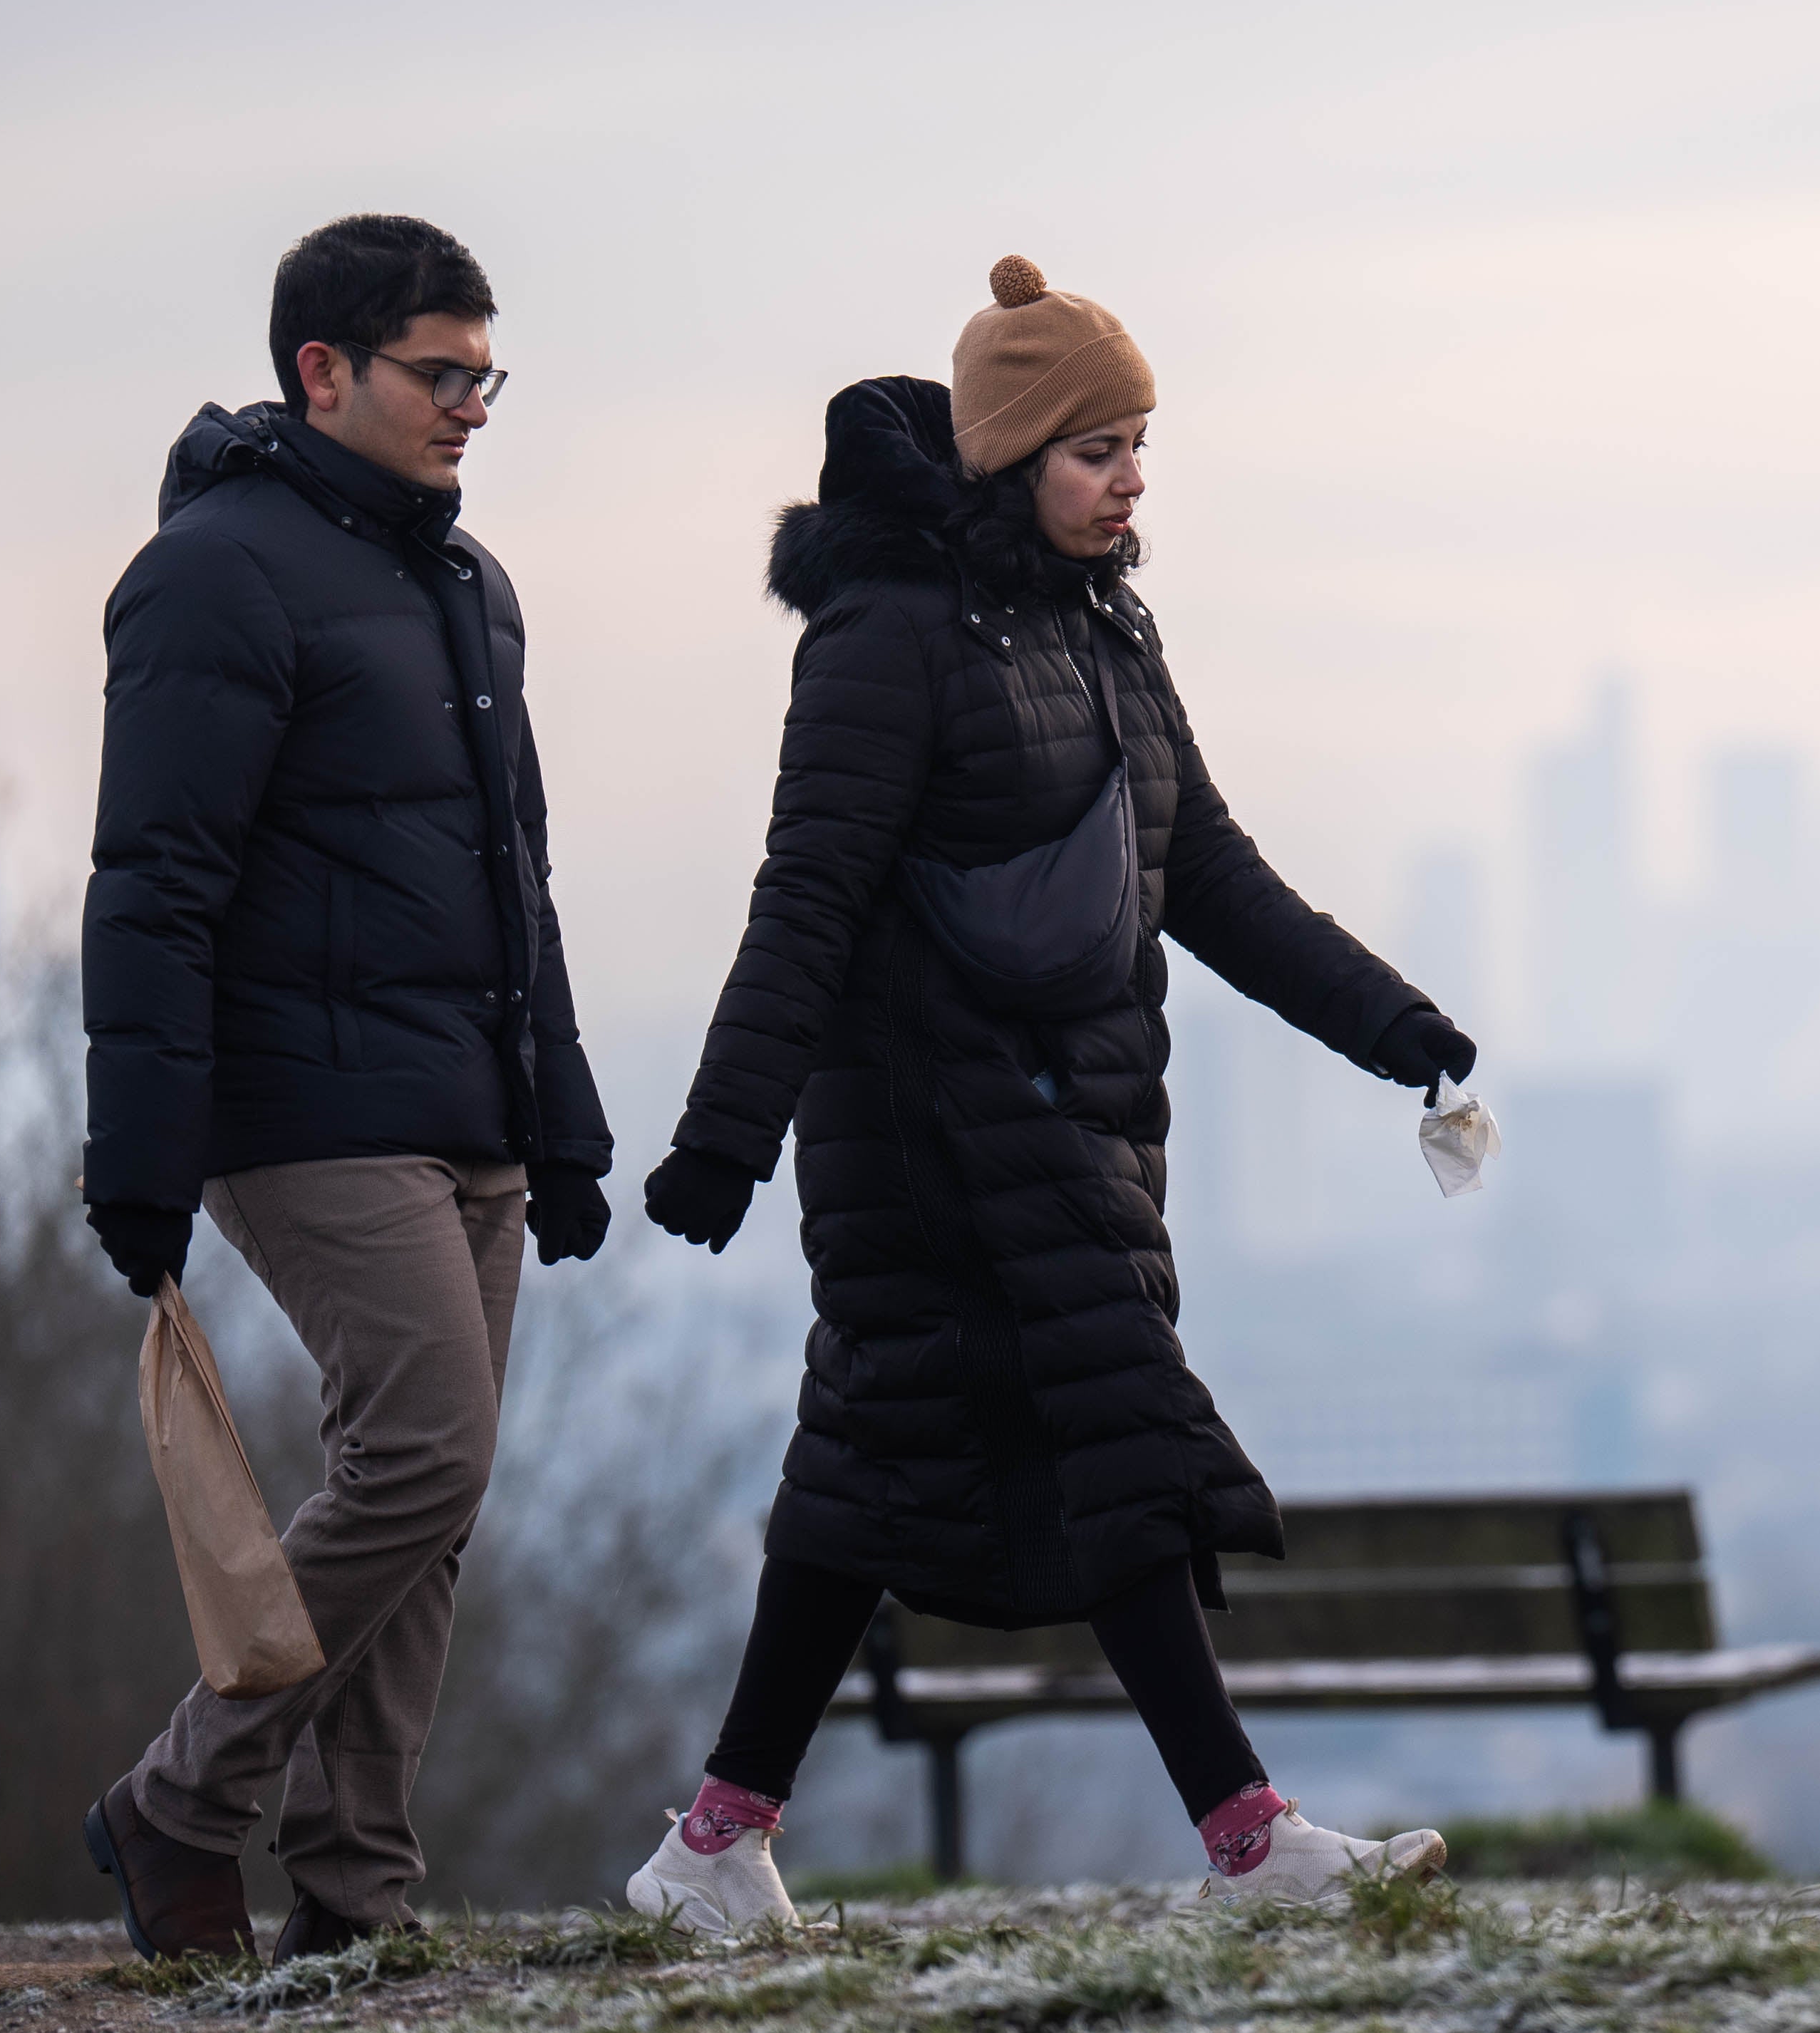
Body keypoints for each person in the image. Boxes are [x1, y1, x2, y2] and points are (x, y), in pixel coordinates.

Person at [625, 256, 1476, 1925]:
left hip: (1068, 1118)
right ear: (1010, 455)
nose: (1131, 478)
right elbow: (804, 892)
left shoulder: (1104, 632)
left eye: (1141, 442)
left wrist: (1395, 1025)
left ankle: (711, 1848)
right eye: (1097, 448)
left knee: (871, 1467)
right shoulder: (886, 640)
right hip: (933, 1134)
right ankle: (1250, 1842)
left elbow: (1208, 876)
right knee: (1123, 1439)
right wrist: (724, 1136)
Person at [77, 214, 614, 1960]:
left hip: (465, 1110)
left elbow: (511, 874)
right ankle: (181, 1799)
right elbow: (154, 877)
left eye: (486, 375)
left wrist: (566, 1114)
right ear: (322, 370)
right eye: (438, 373)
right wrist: (142, 1149)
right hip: (299, 1108)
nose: (471, 406)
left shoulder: (468, 582)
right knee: (428, 1449)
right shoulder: (214, 573)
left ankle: (356, 1891)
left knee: (430, 1502)